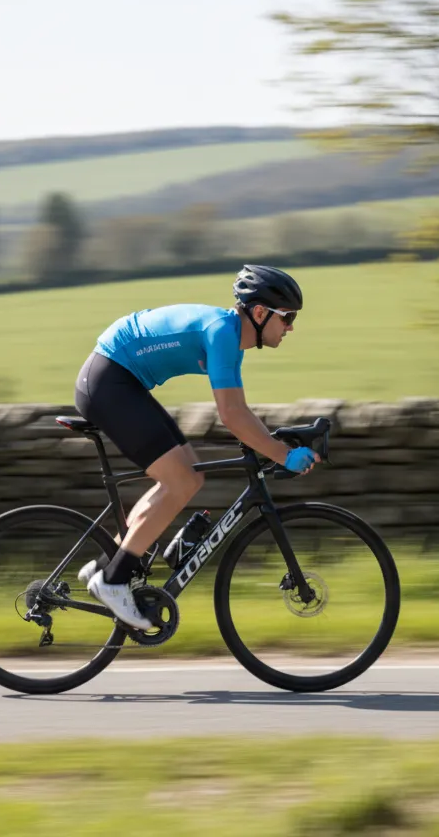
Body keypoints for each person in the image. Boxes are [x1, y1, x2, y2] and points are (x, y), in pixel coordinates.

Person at [72, 265, 319, 630]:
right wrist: (282, 454)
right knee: (180, 481)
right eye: (288, 317)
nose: (292, 327)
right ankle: (113, 579)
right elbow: (232, 415)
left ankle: (113, 561)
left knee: (188, 476)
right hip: (110, 381)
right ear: (261, 312)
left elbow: (238, 410)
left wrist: (273, 444)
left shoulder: (231, 338)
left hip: (120, 380)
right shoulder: (222, 333)